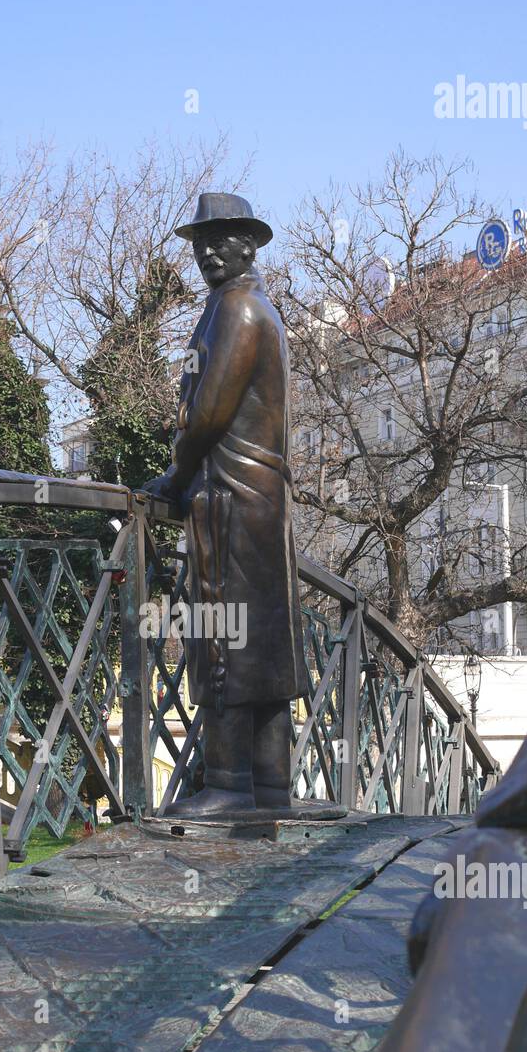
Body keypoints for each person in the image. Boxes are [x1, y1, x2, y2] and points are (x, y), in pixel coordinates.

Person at [142, 193, 306, 818]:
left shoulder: (237, 310)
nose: (208, 251)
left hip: (232, 497)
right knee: (262, 638)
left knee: (226, 634)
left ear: (250, 245)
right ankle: (270, 784)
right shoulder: (250, 307)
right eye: (200, 242)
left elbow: (209, 411)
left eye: (222, 240)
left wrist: (176, 474)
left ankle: (231, 785)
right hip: (260, 498)